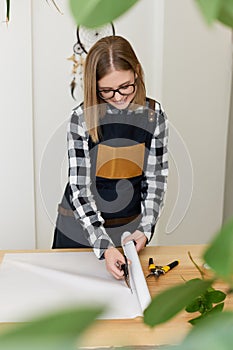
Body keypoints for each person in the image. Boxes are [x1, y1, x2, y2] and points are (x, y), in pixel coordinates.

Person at [52, 35, 168, 280]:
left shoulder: (154, 115)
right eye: (106, 90)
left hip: (127, 230)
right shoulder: (81, 119)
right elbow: (80, 189)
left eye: (125, 86)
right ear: (94, 87)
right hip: (80, 230)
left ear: (136, 72)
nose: (118, 97)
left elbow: (155, 180)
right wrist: (104, 247)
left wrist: (145, 230)